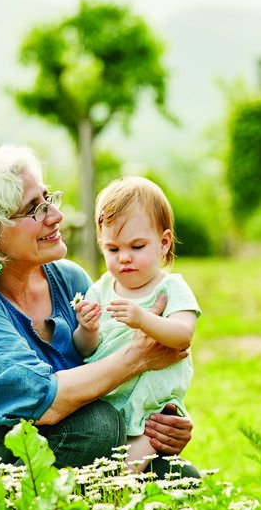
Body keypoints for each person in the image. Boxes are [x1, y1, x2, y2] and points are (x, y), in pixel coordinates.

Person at [0, 146, 197, 481]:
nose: (56, 216)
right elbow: (44, 402)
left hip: (45, 440)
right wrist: (139, 357)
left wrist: (158, 421)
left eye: (49, 199)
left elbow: (101, 372)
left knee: (180, 478)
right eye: (34, 209)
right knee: (98, 427)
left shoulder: (69, 279)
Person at [73, 176, 200, 474]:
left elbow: (182, 336)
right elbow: (83, 350)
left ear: (164, 243)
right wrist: (87, 329)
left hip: (151, 406)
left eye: (137, 246)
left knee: (125, 471)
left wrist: (144, 319)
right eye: (113, 249)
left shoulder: (171, 289)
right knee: (102, 462)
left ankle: (116, 497)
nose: (125, 258)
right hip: (109, 396)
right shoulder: (100, 289)